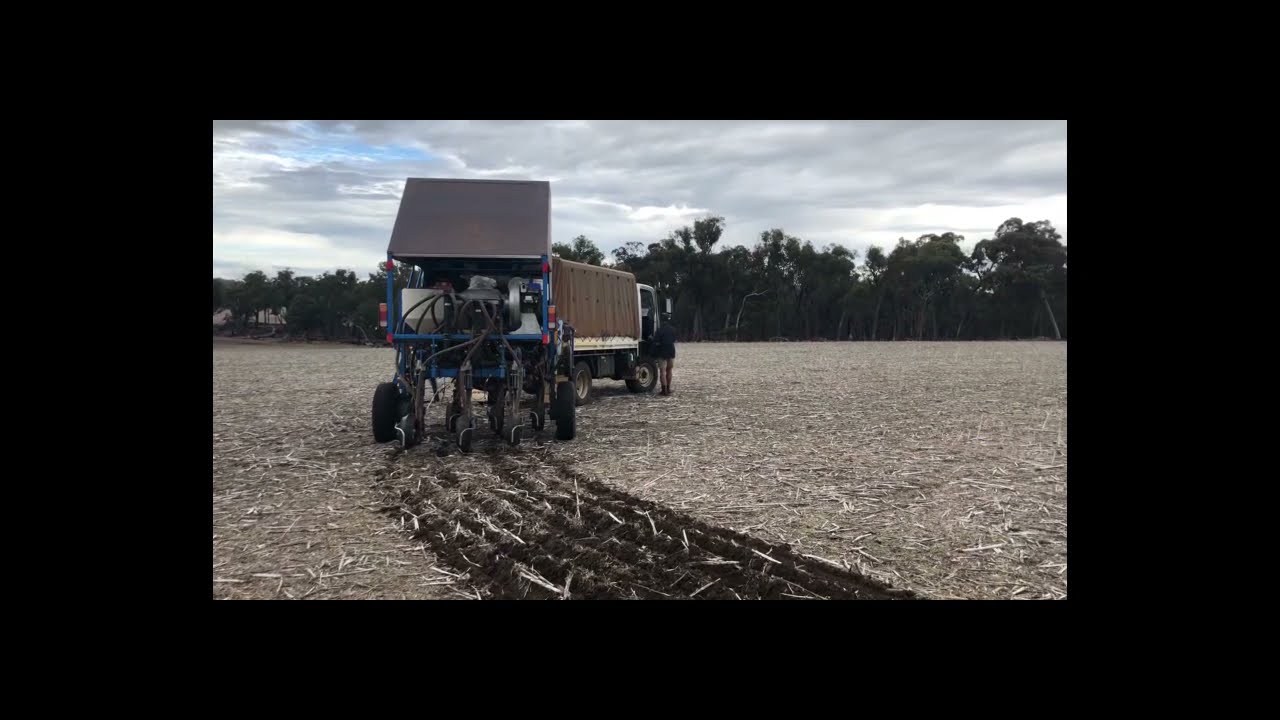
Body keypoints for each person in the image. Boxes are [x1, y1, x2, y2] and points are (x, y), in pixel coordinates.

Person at [652, 313, 676, 395]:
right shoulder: (672, 329)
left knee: (662, 371)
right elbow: (674, 340)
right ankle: (668, 388)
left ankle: (664, 390)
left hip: (662, 352)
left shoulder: (659, 330)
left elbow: (656, 341)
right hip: (671, 352)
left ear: (661, 321)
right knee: (669, 370)